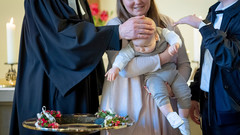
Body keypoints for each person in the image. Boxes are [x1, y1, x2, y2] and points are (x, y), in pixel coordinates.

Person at [9, 0, 155, 135]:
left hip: (78, 85)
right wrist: (117, 32)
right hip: (52, 85)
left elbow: (83, 31)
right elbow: (63, 39)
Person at [100, 0, 192, 135]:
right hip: (127, 103)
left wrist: (173, 88)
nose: (137, 1)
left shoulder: (167, 23)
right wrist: (164, 58)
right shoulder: (115, 27)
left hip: (164, 106)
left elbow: (184, 64)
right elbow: (125, 70)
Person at [174, 0, 240, 135]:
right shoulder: (213, 10)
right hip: (208, 106)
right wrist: (195, 94)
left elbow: (231, 57)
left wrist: (203, 26)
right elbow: (208, 61)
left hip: (232, 110)